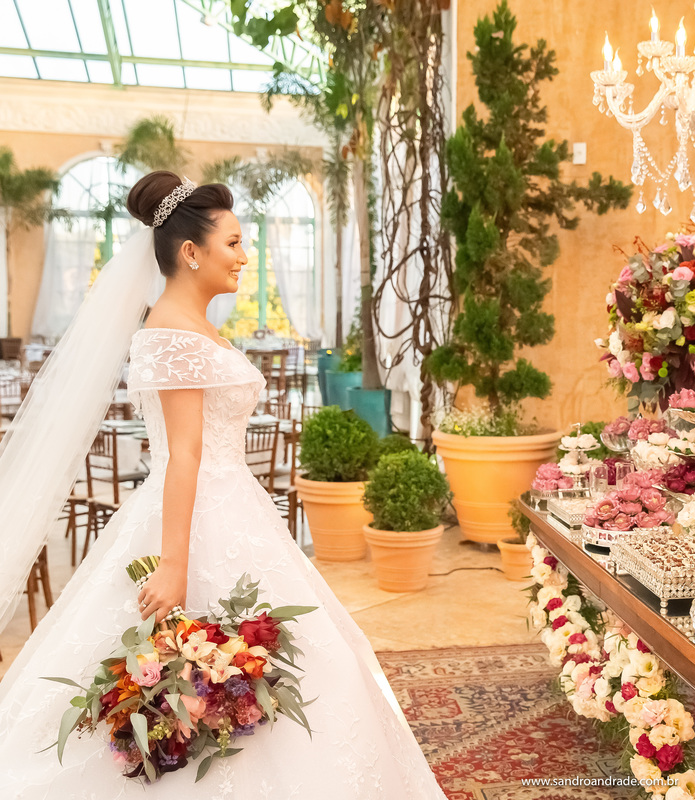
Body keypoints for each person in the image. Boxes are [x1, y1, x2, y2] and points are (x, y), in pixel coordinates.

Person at [0, 172, 447, 798]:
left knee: (303, 666)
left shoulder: (190, 323)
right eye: (234, 243)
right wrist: (176, 566)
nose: (245, 255)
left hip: (234, 507)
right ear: (191, 252)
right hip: (195, 514)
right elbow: (183, 454)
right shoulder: (172, 333)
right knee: (206, 673)